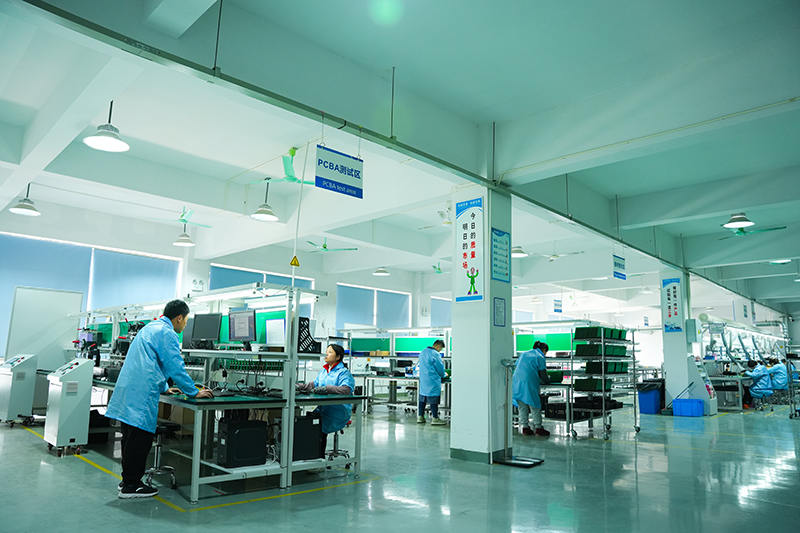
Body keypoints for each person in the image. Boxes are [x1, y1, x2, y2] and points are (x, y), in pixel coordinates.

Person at [106, 300, 213, 499]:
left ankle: (127, 481)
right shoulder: (167, 333)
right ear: (179, 318)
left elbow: (150, 363)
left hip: (130, 389)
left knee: (129, 438)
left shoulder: (150, 328)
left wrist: (165, 387)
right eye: (186, 320)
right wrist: (193, 392)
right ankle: (132, 486)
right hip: (141, 393)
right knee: (139, 440)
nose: (185, 325)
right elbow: (175, 367)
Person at [296, 344, 355, 435]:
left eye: (330, 352)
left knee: (316, 429)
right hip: (323, 408)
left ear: (338, 357)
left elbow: (346, 389)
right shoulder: (324, 371)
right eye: (326, 352)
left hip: (337, 410)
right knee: (306, 423)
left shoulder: (343, 372)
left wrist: (327, 389)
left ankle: (319, 443)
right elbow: (314, 384)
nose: (326, 354)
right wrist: (299, 386)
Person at [512, 341, 550, 437]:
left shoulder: (524, 354)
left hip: (516, 382)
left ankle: (525, 427)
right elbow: (543, 374)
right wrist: (547, 380)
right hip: (528, 383)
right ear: (544, 350)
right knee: (534, 405)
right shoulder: (540, 356)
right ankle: (538, 428)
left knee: (522, 406)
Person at [416, 339, 447, 425]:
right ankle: (435, 418)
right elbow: (439, 368)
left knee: (422, 398)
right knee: (434, 399)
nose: (440, 350)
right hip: (432, 380)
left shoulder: (423, 352)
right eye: (440, 349)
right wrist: (444, 374)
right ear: (438, 346)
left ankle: (420, 417)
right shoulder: (435, 354)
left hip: (423, 379)